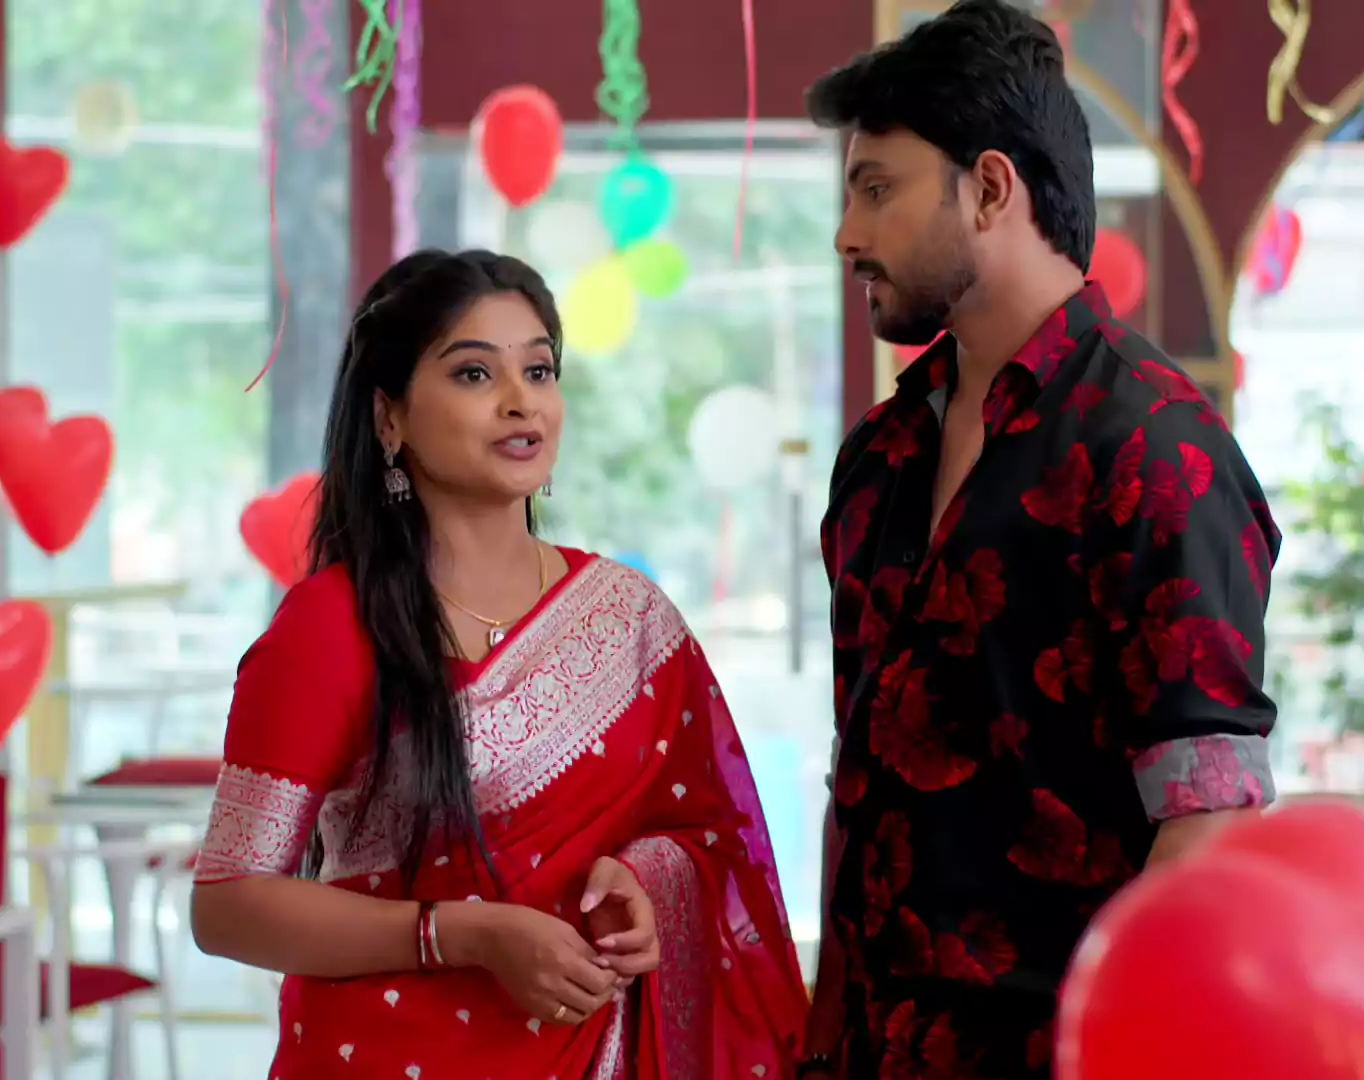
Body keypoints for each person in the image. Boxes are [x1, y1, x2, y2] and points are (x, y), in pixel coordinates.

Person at [797, 3, 1282, 1077]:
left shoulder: (1156, 449)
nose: (848, 235)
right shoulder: (877, 457)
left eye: (876, 189)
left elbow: (1208, 815)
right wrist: (821, 1042)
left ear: (989, 188)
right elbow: (858, 782)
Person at [190, 249, 808, 1079]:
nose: (522, 401)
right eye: (475, 373)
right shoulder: (332, 627)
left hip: (593, 1050)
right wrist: (460, 934)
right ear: (389, 418)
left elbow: (713, 839)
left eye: (539, 370)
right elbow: (227, 904)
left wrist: (646, 882)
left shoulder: (630, 620)